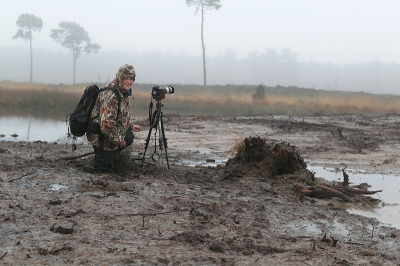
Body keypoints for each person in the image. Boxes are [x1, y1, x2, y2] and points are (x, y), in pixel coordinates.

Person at [87, 64, 141, 173]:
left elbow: (119, 116)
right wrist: (119, 140)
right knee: (104, 172)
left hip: (110, 135)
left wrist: (130, 126)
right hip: (102, 138)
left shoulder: (122, 92)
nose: (129, 82)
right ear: (120, 78)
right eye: (126, 78)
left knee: (129, 135)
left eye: (131, 79)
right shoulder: (111, 95)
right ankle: (102, 161)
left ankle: (110, 157)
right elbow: (106, 126)